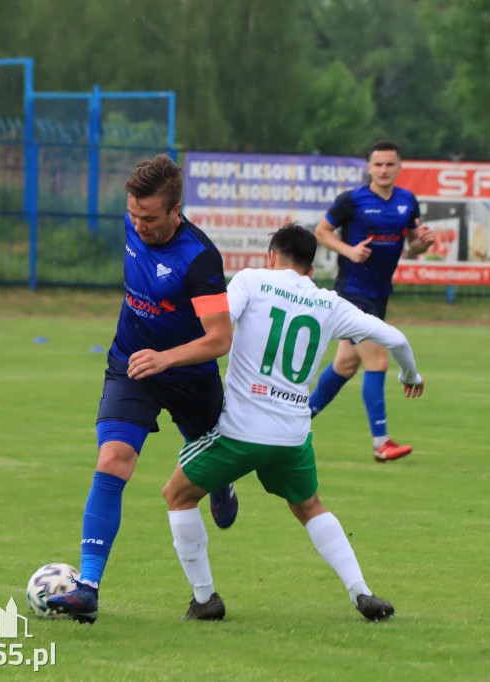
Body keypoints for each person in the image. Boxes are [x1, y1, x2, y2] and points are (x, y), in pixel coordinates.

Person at [163, 222, 425, 622]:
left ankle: (205, 599)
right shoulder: (329, 303)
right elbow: (396, 338)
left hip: (238, 431)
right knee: (309, 507)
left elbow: (216, 325)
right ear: (310, 266)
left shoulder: (251, 281)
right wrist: (410, 375)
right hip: (291, 436)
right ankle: (362, 592)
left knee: (178, 495)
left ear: (272, 256)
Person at [48, 154, 238, 625]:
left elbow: (220, 339)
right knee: (113, 459)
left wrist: (168, 358)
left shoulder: (200, 258)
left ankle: (218, 478)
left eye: (149, 218)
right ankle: (87, 587)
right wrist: (149, 359)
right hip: (130, 365)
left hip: (191, 378)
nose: (139, 224)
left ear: (176, 211)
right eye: (133, 215)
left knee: (206, 464)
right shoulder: (134, 220)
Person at [308, 140, 435, 462]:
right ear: (369, 167)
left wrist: (422, 244)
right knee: (377, 361)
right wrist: (349, 251)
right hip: (352, 292)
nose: (383, 170)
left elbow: (413, 247)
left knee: (345, 365)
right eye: (377, 164)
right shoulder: (352, 200)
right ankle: (381, 442)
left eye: (389, 164)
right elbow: (322, 232)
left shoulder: (408, 201)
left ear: (399, 166)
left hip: (380, 294)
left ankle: (292, 424)